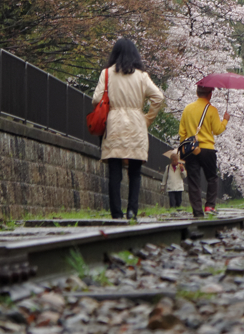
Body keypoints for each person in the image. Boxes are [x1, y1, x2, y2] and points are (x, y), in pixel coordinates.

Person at [92, 38, 164, 220]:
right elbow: (158, 97)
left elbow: (95, 99)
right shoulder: (142, 76)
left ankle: (116, 213)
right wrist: (147, 118)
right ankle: (132, 210)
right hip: (136, 124)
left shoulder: (107, 74)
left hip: (114, 124)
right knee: (135, 172)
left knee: (114, 172)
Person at [179, 85, 230, 217]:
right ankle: (209, 206)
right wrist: (225, 120)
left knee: (193, 180)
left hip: (191, 149)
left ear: (197, 93)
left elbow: (182, 133)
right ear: (210, 94)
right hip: (207, 149)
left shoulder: (187, 109)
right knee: (212, 178)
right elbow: (217, 130)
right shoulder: (212, 110)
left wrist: (186, 146)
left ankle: (197, 211)